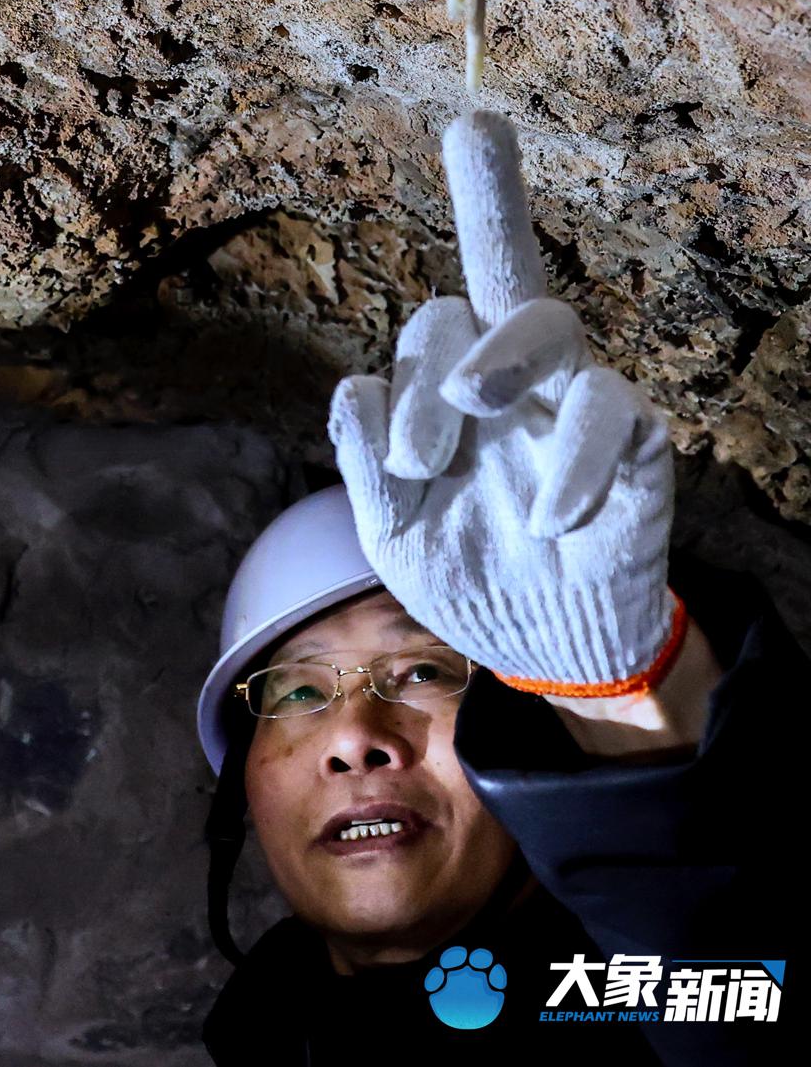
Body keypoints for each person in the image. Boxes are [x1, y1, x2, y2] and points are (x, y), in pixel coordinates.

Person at [197, 111, 808, 1063]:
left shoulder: (611, 993)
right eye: (301, 691)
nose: (356, 739)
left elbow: (749, 1002)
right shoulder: (261, 1032)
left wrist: (615, 691)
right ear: (242, 782)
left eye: (423, 672)